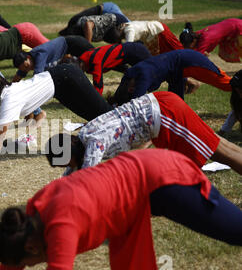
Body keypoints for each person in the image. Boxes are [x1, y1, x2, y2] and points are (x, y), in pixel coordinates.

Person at [0, 148, 242, 270]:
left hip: (159, 178)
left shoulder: (61, 228)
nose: (30, 267)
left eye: (30, 263)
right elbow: (12, 263)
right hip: (125, 207)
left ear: (32, 247)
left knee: (236, 231)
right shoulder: (31, 216)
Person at [0, 63, 112, 177]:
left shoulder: (8, 99)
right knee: (97, 117)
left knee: (106, 114)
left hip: (67, 77)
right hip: (59, 87)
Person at [45, 91, 242, 176]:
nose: (65, 167)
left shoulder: (95, 143)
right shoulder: (84, 135)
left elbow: (85, 180)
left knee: (218, 152)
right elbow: (73, 173)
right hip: (160, 109)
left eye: (63, 162)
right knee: (218, 145)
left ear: (69, 153)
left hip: (165, 114)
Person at [111, 49, 233, 104]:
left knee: (228, 84)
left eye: (132, 90)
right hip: (176, 71)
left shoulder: (143, 77)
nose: (134, 89)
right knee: (176, 104)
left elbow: (136, 103)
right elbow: (121, 93)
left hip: (190, 61)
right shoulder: (129, 75)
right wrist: (115, 103)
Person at [75, 42, 151, 94]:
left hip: (136, 51)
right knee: (131, 78)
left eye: (81, 70)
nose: (82, 72)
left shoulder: (95, 62)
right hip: (127, 54)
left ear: (81, 64)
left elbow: (98, 85)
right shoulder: (87, 57)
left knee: (149, 75)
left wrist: (94, 101)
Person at [107, 21, 183, 55]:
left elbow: (128, 47)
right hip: (153, 37)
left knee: (177, 49)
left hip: (159, 32)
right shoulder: (123, 26)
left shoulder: (129, 30)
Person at [59, 2, 130, 36]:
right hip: (105, 9)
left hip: (106, 9)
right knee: (74, 21)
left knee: (74, 21)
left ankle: (65, 34)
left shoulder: (128, 25)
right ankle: (65, 34)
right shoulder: (129, 25)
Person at [59, 13, 128, 44]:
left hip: (116, 22)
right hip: (108, 33)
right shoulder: (93, 36)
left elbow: (88, 24)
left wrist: (87, 46)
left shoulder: (82, 23)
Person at [219, 69, 242, 135]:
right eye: (238, 91)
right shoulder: (237, 98)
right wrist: (222, 132)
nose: (240, 96)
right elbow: (235, 113)